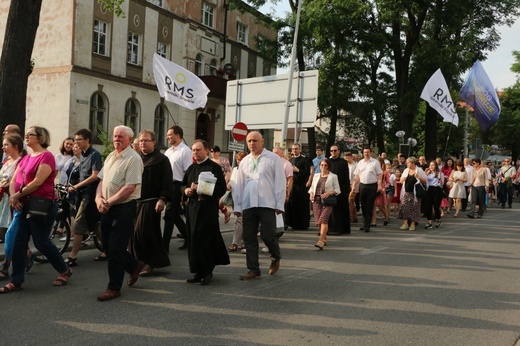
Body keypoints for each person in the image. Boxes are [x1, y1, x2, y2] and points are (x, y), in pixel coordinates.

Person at [0, 126, 72, 293]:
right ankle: (16, 281)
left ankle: (64, 270)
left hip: (41, 205)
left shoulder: (47, 156)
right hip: (23, 204)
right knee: (19, 242)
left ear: (40, 138)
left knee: (41, 241)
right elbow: (14, 179)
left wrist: (17, 195)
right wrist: (13, 197)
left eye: (30, 134)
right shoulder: (26, 158)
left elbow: (38, 182)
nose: (26, 136)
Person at [95, 125, 144, 301]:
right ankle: (134, 265)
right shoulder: (110, 156)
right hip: (106, 207)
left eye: (121, 137)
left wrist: (109, 202)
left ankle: (113, 288)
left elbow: (130, 187)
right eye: (115, 136)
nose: (116, 139)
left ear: (129, 140)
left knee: (116, 248)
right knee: (107, 246)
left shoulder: (133, 158)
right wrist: (99, 199)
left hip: (124, 208)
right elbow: (101, 181)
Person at [233, 131, 285, 280]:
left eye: (255, 140)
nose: (252, 144)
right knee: (249, 238)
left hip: (267, 203)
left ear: (262, 141)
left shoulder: (273, 159)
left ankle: (275, 256)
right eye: (249, 141)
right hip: (249, 204)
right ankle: (253, 269)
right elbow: (240, 185)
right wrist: (238, 206)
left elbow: (280, 182)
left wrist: (279, 203)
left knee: (268, 236)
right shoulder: (245, 161)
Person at [183, 140, 230, 286]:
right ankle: (198, 271)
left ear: (206, 151)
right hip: (192, 208)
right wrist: (186, 190)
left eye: (198, 150)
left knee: (204, 239)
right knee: (193, 239)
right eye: (193, 150)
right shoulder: (191, 168)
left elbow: (221, 189)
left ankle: (207, 271)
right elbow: (182, 185)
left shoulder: (214, 167)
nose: (195, 152)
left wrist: (202, 188)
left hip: (207, 209)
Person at [131, 130, 173, 277]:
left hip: (152, 201)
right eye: (141, 141)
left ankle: (148, 262)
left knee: (144, 232)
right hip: (135, 200)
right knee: (134, 234)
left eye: (146, 140)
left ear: (153, 142)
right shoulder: (136, 158)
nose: (142, 143)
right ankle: (136, 262)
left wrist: (163, 199)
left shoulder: (162, 159)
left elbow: (167, 181)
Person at [63, 129, 103, 266]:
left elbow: (95, 176)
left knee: (79, 223)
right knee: (94, 225)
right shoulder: (83, 155)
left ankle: (73, 256)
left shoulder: (95, 155)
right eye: (76, 139)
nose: (76, 142)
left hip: (90, 194)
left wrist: (77, 186)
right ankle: (110, 249)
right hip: (82, 193)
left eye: (79, 139)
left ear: (87, 140)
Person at [163, 125, 192, 252]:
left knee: (169, 215)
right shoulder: (168, 151)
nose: (167, 137)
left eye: (170, 134)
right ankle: (188, 237)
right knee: (174, 215)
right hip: (167, 185)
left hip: (177, 186)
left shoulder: (185, 151)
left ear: (178, 135)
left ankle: (164, 246)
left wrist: (185, 193)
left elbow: (188, 173)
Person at [0, 134, 25, 279]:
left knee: (10, 232)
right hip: (3, 199)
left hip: (12, 200)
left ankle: (6, 264)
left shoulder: (20, 162)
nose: (3, 147)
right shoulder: (6, 162)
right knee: (8, 232)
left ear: (15, 146)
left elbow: (18, 181)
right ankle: (27, 253)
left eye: (6, 144)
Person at [308, 158, 341, 249]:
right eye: (322, 165)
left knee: (324, 220)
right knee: (319, 221)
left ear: (329, 166)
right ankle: (324, 238)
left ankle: (321, 241)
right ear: (319, 166)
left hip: (327, 201)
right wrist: (311, 194)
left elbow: (338, 190)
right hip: (316, 201)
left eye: (325, 165)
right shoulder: (316, 176)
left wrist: (328, 193)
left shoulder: (333, 176)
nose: (323, 167)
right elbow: (312, 188)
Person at [353, 147, 382, 233]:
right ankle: (364, 223)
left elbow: (380, 174)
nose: (366, 154)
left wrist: (379, 185)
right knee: (364, 205)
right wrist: (354, 185)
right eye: (365, 152)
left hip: (372, 186)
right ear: (363, 153)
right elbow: (357, 175)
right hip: (362, 185)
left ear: (371, 153)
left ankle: (367, 225)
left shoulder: (375, 162)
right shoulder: (360, 163)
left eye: (368, 152)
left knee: (369, 205)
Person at [285, 143, 313, 230]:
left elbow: (308, 172)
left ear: (300, 149)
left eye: (296, 149)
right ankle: (293, 223)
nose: (294, 150)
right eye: (293, 149)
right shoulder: (290, 160)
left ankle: (303, 224)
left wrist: (297, 170)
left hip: (302, 186)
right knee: (293, 205)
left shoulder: (305, 160)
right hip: (293, 185)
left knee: (302, 205)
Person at [398, 157, 427, 231]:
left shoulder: (419, 170)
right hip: (406, 192)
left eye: (408, 163)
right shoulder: (406, 170)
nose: (407, 164)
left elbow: (425, 181)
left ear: (413, 163)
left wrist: (418, 177)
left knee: (414, 208)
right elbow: (401, 180)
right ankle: (405, 223)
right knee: (403, 207)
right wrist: (402, 179)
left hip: (415, 193)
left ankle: (413, 224)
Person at [227, 151, 247, 252]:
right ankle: (243, 241)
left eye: (241, 160)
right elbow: (232, 180)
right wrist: (229, 184)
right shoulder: (235, 169)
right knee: (241, 221)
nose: (239, 162)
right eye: (238, 160)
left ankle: (235, 242)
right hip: (236, 199)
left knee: (238, 220)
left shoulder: (248, 171)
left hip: (245, 200)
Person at [328, 144, 350, 234]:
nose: (333, 152)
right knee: (330, 211)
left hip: (341, 190)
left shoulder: (343, 162)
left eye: (335, 150)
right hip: (329, 190)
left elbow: (346, 176)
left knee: (341, 210)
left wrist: (346, 189)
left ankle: (342, 229)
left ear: (339, 151)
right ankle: (330, 229)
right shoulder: (327, 162)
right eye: (332, 151)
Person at [272, 146, 293, 238]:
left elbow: (290, 179)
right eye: (273, 153)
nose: (274, 154)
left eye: (277, 153)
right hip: (270, 192)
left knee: (279, 211)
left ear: (281, 154)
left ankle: (279, 230)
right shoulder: (270, 163)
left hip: (281, 190)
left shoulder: (286, 164)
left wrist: (288, 193)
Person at [211, 145, 232, 223]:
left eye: (215, 151)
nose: (213, 153)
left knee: (220, 201)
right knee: (216, 201)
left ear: (219, 152)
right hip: (213, 184)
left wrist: (225, 182)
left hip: (221, 183)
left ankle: (226, 212)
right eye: (212, 151)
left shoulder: (224, 160)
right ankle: (226, 213)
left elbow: (228, 171)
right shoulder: (210, 161)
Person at [424, 160, 445, 229]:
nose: (431, 167)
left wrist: (439, 178)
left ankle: (439, 220)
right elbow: (424, 181)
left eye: (433, 165)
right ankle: (429, 222)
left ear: (436, 166)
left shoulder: (440, 173)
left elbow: (442, 184)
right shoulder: (428, 173)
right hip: (429, 189)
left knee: (436, 206)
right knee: (428, 206)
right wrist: (425, 174)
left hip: (437, 189)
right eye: (430, 165)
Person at [372, 157, 389, 227]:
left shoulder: (385, 172)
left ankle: (386, 217)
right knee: (373, 205)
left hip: (380, 189)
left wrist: (384, 187)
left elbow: (388, 182)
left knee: (380, 206)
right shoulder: (373, 170)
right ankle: (374, 222)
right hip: (373, 187)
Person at [345, 152, 358, 223]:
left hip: (353, 185)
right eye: (345, 158)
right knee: (350, 202)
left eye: (347, 158)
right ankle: (354, 217)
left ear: (351, 157)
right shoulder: (345, 165)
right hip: (346, 185)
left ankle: (349, 216)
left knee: (350, 200)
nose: (346, 160)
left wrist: (354, 185)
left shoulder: (356, 165)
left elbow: (357, 176)